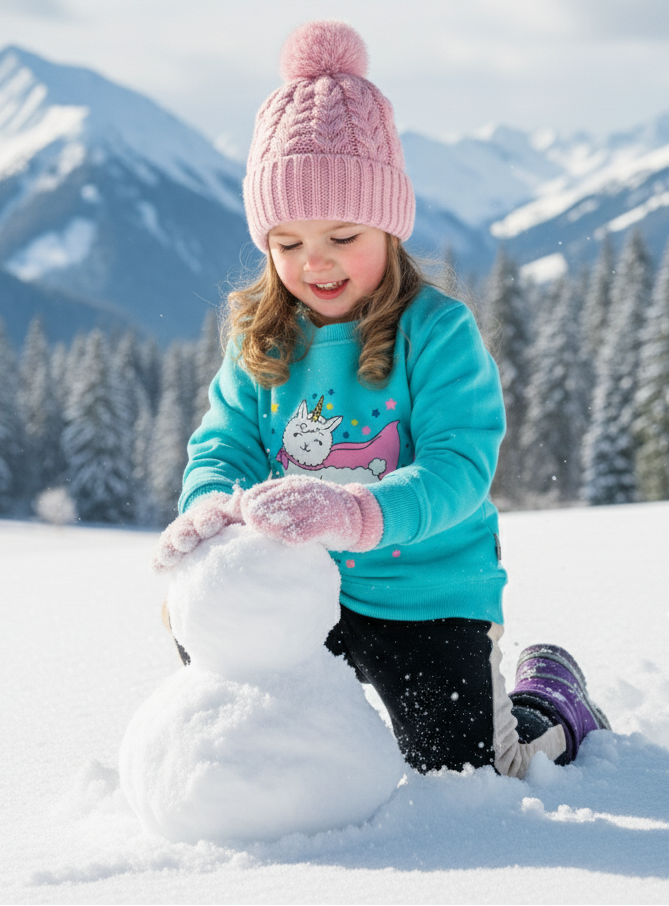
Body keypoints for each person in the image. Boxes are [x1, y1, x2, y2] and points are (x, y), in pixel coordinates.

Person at [153, 19, 609, 778]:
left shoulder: (437, 333)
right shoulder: (261, 337)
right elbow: (224, 443)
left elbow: (458, 468)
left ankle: (551, 706)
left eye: (343, 235)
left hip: (426, 592)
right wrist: (211, 506)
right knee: (227, 668)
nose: (316, 263)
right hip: (303, 589)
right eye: (289, 242)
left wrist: (356, 513)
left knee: (468, 777)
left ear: (390, 228)